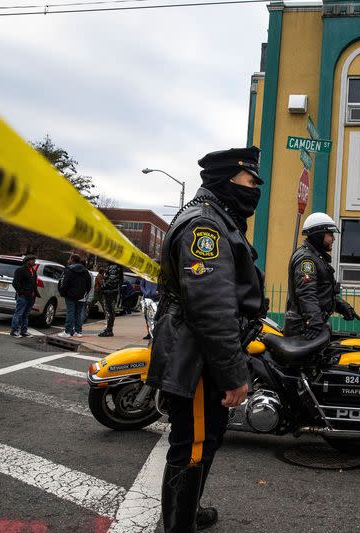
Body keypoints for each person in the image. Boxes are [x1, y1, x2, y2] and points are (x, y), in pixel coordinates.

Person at [147, 146, 266, 532]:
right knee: (193, 447)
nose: (256, 190)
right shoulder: (206, 226)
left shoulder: (217, 217)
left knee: (203, 441)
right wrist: (233, 374)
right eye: (251, 181)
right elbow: (211, 308)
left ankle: (187, 511)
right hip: (198, 357)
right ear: (228, 179)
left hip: (201, 354)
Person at [283, 212, 360, 339]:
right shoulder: (306, 259)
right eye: (330, 234)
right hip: (303, 330)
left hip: (310, 326)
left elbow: (323, 293)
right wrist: (314, 323)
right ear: (318, 234)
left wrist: (343, 307)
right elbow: (307, 294)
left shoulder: (317, 257)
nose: (333, 239)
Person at [58, 254, 92, 338]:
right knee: (78, 314)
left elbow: (64, 282)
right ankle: (78, 331)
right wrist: (85, 293)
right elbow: (89, 285)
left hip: (70, 295)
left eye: (70, 258)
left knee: (70, 313)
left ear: (72, 259)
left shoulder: (69, 270)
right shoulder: (86, 271)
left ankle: (67, 332)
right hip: (81, 296)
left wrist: (63, 292)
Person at [10, 255, 38, 338]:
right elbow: (15, 283)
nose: (34, 261)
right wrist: (21, 292)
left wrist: (35, 293)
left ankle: (23, 331)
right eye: (32, 260)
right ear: (27, 261)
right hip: (23, 296)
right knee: (19, 314)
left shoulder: (33, 271)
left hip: (32, 296)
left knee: (26, 314)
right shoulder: (20, 270)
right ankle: (14, 331)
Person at [98, 261, 123, 337]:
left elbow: (111, 281)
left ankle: (109, 330)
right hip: (112, 291)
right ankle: (109, 329)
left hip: (109, 292)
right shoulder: (117, 267)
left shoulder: (113, 267)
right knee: (110, 311)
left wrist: (102, 286)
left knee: (109, 311)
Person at [139, 265, 160, 340]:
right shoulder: (145, 275)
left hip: (156, 299)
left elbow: (162, 286)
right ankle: (149, 332)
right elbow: (141, 285)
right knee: (147, 317)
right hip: (147, 298)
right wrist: (145, 293)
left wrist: (157, 292)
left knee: (156, 316)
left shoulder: (159, 275)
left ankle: (156, 333)